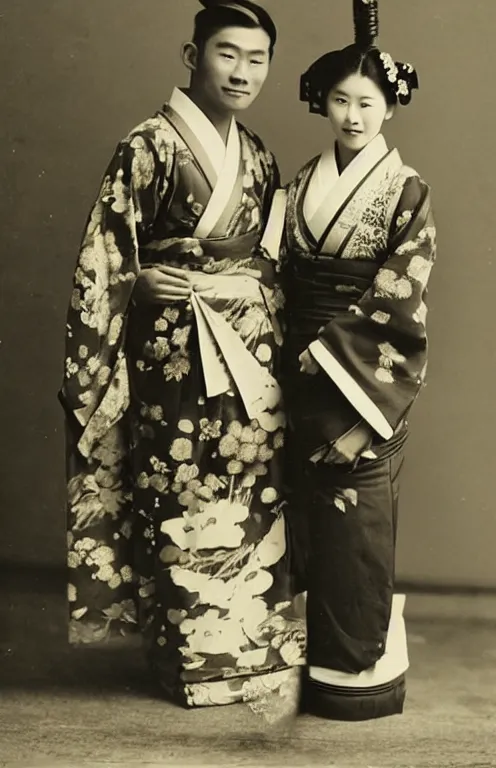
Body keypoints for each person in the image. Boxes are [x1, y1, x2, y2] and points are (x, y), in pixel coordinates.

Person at [59, 0, 305, 722]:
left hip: (250, 347)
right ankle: (191, 659)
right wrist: (135, 282)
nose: (242, 72)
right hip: (175, 351)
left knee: (254, 487)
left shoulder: (257, 153)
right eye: (227, 54)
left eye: (257, 59)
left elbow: (269, 253)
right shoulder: (149, 145)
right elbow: (105, 252)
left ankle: (253, 652)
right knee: (183, 486)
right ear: (191, 55)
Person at [281, 0, 436, 720]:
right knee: (301, 516)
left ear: (388, 109)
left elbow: (399, 297)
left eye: (366, 102)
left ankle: (357, 669)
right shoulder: (300, 182)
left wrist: (343, 384)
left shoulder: (405, 192)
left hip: (358, 376)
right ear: (325, 102)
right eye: (340, 99)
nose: (352, 115)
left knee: (358, 520)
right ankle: (296, 664)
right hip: (294, 368)